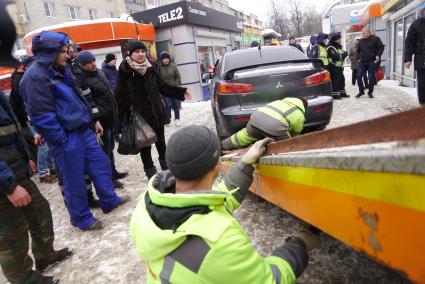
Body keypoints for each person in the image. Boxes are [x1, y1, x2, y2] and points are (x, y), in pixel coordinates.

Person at [130, 125, 318, 283]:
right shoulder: (219, 241)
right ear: (216, 165)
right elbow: (269, 280)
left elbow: (210, 203)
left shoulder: (150, 204)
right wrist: (298, 245)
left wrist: (244, 165)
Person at [20, 31, 130, 231]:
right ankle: (81, 218)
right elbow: (41, 115)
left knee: (101, 163)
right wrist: (60, 139)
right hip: (65, 137)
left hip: (82, 130)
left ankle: (109, 200)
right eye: (62, 51)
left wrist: (91, 121)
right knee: (74, 180)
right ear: (49, 52)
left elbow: (79, 97)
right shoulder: (35, 77)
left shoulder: (61, 69)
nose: (68, 54)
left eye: (66, 50)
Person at [0, 3, 72, 283]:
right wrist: (8, 185)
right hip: (5, 181)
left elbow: (11, 130)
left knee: (40, 210)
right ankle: (24, 279)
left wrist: (26, 155)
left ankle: (45, 254)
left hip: (16, 168)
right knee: (11, 234)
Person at [115, 40, 191, 179]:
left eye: (143, 51)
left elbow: (162, 86)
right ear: (130, 54)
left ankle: (167, 172)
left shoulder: (152, 67)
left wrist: (180, 92)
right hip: (141, 116)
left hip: (157, 112)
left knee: (161, 143)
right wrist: (125, 115)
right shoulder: (125, 71)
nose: (141, 54)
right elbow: (120, 95)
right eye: (137, 51)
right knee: (145, 148)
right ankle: (152, 176)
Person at [77, 50, 127, 188]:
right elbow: (89, 101)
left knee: (110, 147)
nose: (92, 64)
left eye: (93, 60)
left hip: (110, 116)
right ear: (82, 65)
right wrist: (98, 116)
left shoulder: (99, 72)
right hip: (101, 120)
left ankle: (113, 172)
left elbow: (108, 92)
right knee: (104, 150)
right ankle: (109, 178)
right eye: (88, 63)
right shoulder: (83, 79)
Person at [221, 98, 307, 150]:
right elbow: (296, 131)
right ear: (304, 106)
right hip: (274, 126)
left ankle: (222, 146)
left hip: (256, 118)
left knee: (244, 136)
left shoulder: (281, 102)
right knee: (288, 144)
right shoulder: (299, 112)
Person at [404, 2, 425, 105]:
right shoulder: (416, 24)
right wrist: (407, 59)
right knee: (422, 84)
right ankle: (422, 104)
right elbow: (409, 42)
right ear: (422, 11)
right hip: (422, 61)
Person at [355, 27, 384, 99]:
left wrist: (378, 55)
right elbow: (358, 51)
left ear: (369, 32)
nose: (362, 34)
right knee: (358, 76)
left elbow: (381, 47)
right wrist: (358, 58)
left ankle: (370, 92)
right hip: (362, 62)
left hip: (372, 61)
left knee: (370, 77)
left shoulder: (375, 39)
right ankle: (361, 91)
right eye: (362, 33)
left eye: (364, 33)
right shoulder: (361, 41)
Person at [159, 51, 183, 127]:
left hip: (174, 89)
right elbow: (158, 79)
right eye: (163, 59)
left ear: (169, 59)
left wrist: (175, 84)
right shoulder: (159, 67)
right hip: (165, 90)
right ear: (161, 60)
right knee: (168, 105)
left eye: (167, 58)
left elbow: (178, 77)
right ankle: (168, 119)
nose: (165, 60)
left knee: (176, 104)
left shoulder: (173, 66)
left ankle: (177, 119)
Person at [327, 32, 348, 99]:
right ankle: (335, 94)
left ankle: (342, 93)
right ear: (335, 39)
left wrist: (343, 54)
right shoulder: (330, 47)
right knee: (335, 81)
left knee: (342, 80)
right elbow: (335, 57)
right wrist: (343, 55)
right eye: (338, 39)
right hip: (333, 67)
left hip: (339, 67)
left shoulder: (338, 46)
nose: (340, 40)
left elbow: (344, 53)